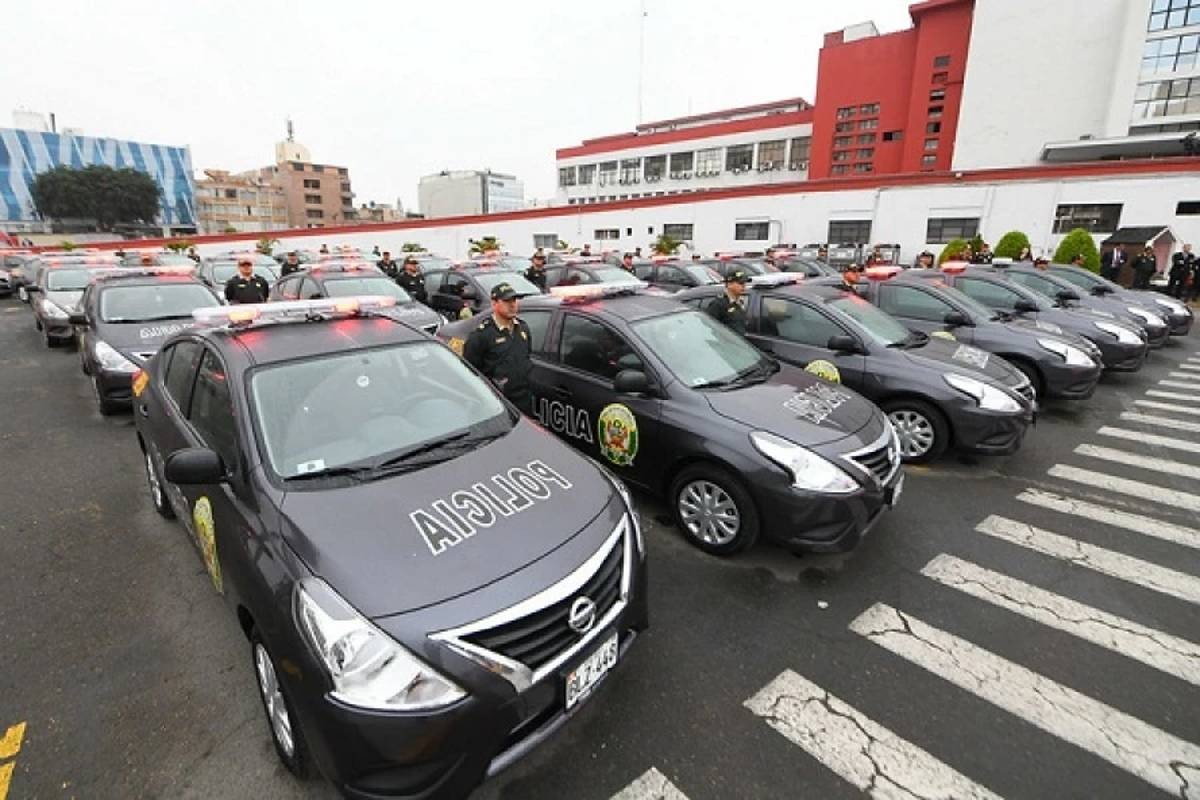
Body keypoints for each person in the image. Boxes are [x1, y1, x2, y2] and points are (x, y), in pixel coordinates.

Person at [462, 282, 533, 413]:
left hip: (523, 400)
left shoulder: (523, 328)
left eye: (514, 300)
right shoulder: (481, 335)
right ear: (494, 304)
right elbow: (471, 374)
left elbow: (526, 357)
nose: (512, 305)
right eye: (506, 301)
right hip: (499, 404)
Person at [705, 268, 750, 334]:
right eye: (740, 283)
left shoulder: (740, 302)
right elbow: (710, 329)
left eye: (744, 283)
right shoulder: (718, 304)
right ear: (729, 284)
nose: (744, 286)